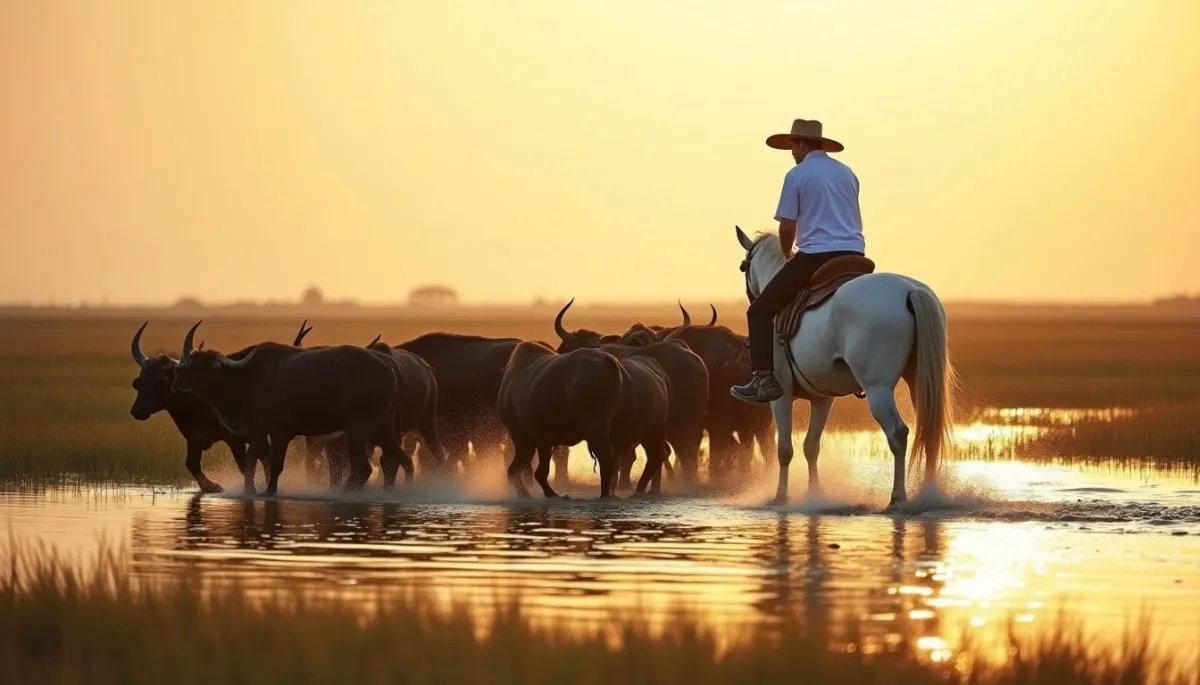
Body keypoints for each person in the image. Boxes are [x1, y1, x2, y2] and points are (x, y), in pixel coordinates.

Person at [730, 118, 866, 403]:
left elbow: (788, 227)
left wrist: (786, 252)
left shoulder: (797, 175)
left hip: (816, 256)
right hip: (856, 257)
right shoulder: (848, 173)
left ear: (802, 144)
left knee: (759, 311)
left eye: (792, 145)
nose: (791, 151)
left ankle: (763, 378)